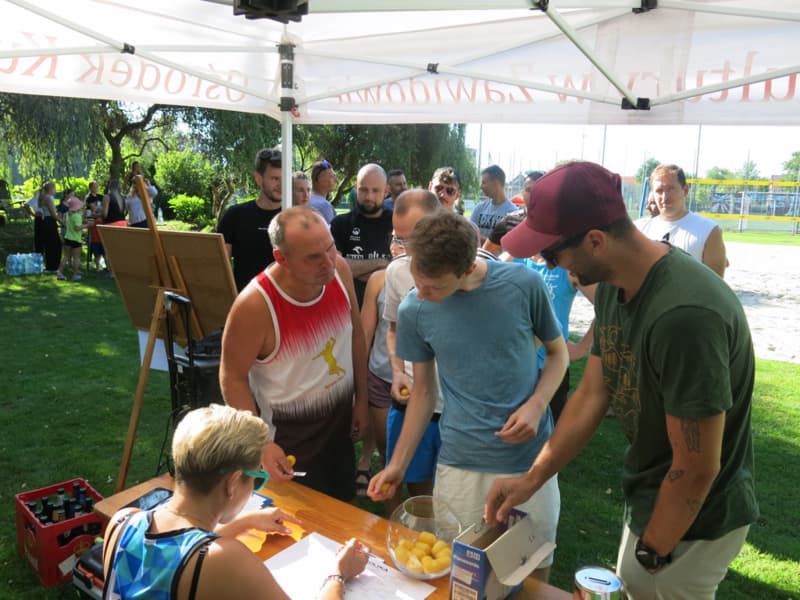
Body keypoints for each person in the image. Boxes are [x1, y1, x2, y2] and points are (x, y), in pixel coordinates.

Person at [492, 161, 758, 599]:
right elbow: (592, 393)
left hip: (696, 519)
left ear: (596, 241)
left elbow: (696, 468)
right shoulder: (616, 286)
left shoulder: (685, 317)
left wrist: (651, 552)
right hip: (655, 497)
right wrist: (531, 478)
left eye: (553, 255)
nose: (550, 265)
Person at [368, 210, 568, 582]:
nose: (421, 294)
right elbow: (423, 392)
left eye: (433, 288)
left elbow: (559, 354)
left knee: (530, 573)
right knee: (462, 576)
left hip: (529, 460)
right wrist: (397, 464)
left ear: (467, 267)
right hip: (461, 462)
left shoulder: (523, 285)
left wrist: (537, 404)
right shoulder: (414, 309)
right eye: (417, 281)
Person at [103, 404, 369, 600]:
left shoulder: (123, 521)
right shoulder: (225, 559)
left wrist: (246, 521)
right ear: (232, 483)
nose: (255, 488)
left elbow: (176, 550)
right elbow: (202, 557)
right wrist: (338, 573)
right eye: (257, 479)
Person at [220, 206, 369, 502]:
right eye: (313, 257)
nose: (328, 262)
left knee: (342, 511)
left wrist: (362, 400)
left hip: (339, 430)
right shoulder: (255, 305)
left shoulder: (339, 270)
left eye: (330, 248)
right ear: (281, 258)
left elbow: (356, 333)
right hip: (288, 444)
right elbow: (231, 377)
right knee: (294, 524)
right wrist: (260, 442)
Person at [379, 189, 446, 516]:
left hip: (455, 409)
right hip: (411, 400)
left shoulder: (475, 266)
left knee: (447, 496)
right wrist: (397, 371)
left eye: (416, 238)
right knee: (407, 485)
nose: (409, 251)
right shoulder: (396, 271)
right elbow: (393, 329)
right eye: (400, 239)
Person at [637, 164, 727, 277]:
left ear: (685, 190)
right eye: (659, 191)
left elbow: (715, 283)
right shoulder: (640, 230)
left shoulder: (708, 230)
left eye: (671, 189)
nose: (665, 197)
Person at [217, 148, 283, 292]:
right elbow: (219, 267)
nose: (281, 185)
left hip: (284, 300)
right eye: (275, 179)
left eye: (285, 179)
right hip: (244, 299)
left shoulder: (294, 217)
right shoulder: (235, 215)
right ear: (258, 179)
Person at [330, 163, 393, 307]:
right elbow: (335, 269)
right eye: (363, 190)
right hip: (348, 308)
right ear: (355, 187)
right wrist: (382, 263)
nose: (369, 196)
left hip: (386, 309)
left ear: (386, 191)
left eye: (375, 190)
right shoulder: (340, 224)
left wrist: (354, 269)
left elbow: (402, 268)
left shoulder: (396, 223)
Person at [470, 164, 516, 241]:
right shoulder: (479, 208)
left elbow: (509, 242)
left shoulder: (513, 212)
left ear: (496, 183)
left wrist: (481, 239)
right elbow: (469, 234)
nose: (481, 186)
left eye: (484, 182)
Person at [28, 182, 62, 273]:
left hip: (45, 222)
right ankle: (52, 267)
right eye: (54, 189)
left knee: (48, 244)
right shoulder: (48, 198)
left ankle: (49, 266)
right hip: (49, 221)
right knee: (54, 244)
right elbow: (53, 214)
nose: (55, 191)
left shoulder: (42, 197)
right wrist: (62, 222)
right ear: (51, 189)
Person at [56, 195, 88, 281]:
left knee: (65, 256)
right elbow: (77, 228)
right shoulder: (77, 216)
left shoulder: (68, 214)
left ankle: (59, 272)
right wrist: (87, 225)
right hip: (76, 239)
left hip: (67, 238)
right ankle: (75, 274)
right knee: (76, 258)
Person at [309, 159, 337, 224]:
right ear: (319, 179)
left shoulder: (305, 199)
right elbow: (330, 230)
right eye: (331, 176)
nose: (335, 179)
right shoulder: (324, 206)